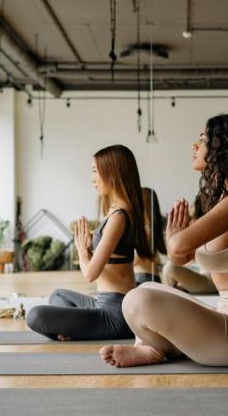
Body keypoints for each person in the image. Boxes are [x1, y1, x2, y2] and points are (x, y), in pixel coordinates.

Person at [100, 114, 228, 367]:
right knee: (146, 289)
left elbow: (177, 247)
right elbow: (179, 257)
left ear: (223, 150)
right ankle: (156, 348)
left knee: (136, 300)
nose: (194, 146)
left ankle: (158, 349)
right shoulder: (224, 200)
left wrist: (175, 238)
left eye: (202, 140)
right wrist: (173, 238)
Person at [26, 145, 154, 340]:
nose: (92, 178)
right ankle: (70, 328)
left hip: (115, 315)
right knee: (58, 295)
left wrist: (82, 252)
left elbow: (90, 274)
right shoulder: (118, 213)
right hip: (102, 303)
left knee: (35, 315)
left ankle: (71, 329)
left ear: (112, 172)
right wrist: (88, 249)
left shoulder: (119, 217)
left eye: (95, 171)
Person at [161, 195, 218, 294]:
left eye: (192, 205)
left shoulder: (203, 226)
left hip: (209, 280)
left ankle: (176, 293)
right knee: (169, 268)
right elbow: (190, 258)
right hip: (200, 273)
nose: (190, 207)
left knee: (169, 268)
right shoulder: (196, 225)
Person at [134, 188, 167, 285]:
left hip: (141, 278)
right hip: (153, 277)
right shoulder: (154, 227)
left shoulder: (145, 229)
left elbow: (137, 259)